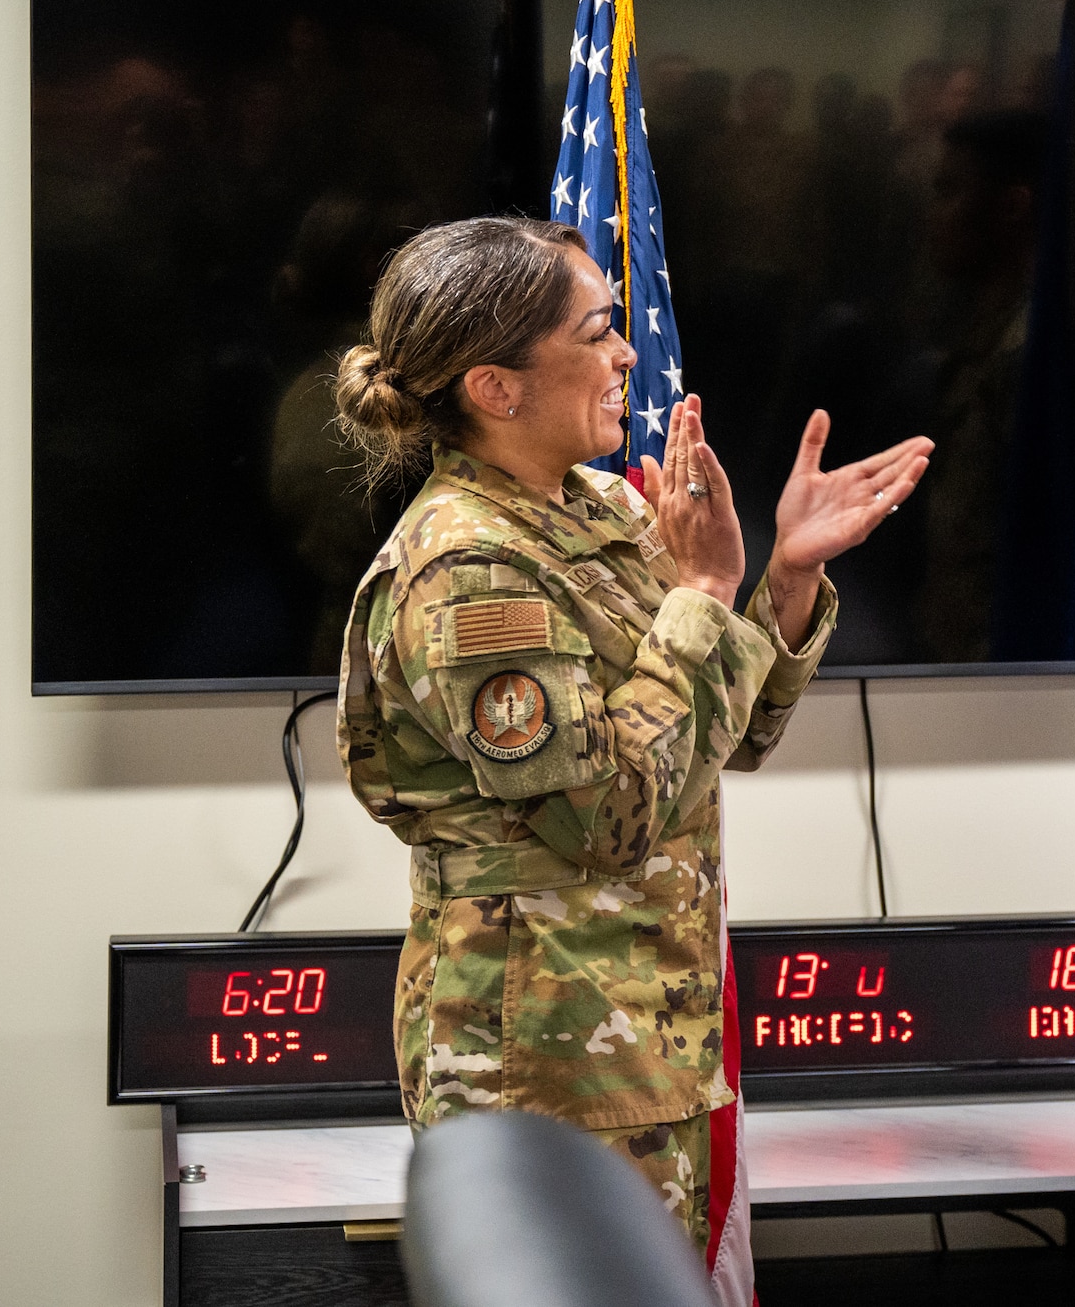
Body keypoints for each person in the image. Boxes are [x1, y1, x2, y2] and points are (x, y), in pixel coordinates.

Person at [332, 217, 931, 1260]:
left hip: (652, 1036)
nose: (626, 356)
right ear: (495, 387)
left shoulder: (600, 508)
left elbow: (713, 742)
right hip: (542, 1064)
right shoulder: (471, 572)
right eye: (599, 331)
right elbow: (606, 814)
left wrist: (784, 576)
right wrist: (700, 591)